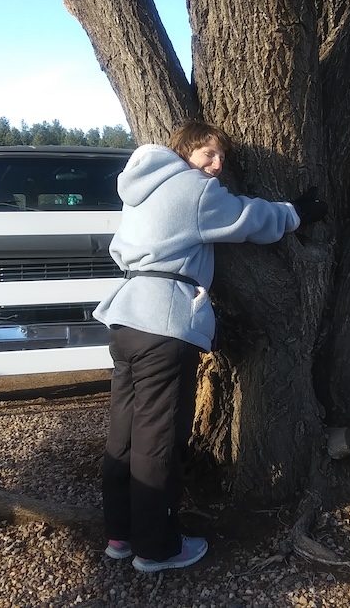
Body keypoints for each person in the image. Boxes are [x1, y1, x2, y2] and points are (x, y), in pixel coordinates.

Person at [93, 120, 327, 573]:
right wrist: (297, 212)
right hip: (162, 323)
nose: (216, 166)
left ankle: (120, 534)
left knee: (123, 435)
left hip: (126, 318)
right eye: (208, 155)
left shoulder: (143, 188)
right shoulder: (192, 189)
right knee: (157, 439)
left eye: (222, 158)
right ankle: (156, 548)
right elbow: (248, 217)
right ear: (185, 153)